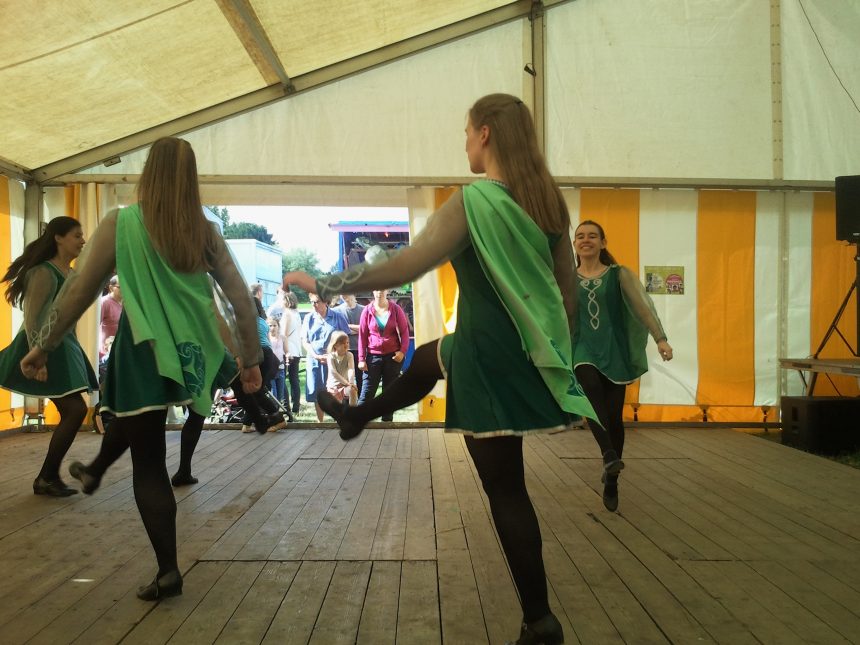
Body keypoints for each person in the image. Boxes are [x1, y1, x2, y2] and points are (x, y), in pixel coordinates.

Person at [285, 94, 597, 645]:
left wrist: (325, 284)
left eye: (466, 132)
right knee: (430, 355)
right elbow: (566, 293)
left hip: (485, 353)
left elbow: (406, 264)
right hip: (521, 350)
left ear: (484, 135)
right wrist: (553, 360)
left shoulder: (474, 201)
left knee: (507, 489)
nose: (465, 141)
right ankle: (359, 415)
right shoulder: (550, 205)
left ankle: (540, 621)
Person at [20, 137, 263, 601]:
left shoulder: (120, 223)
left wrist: (42, 346)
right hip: (194, 350)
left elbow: (78, 293)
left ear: (148, 173)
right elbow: (238, 299)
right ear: (190, 179)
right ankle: (93, 470)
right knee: (137, 433)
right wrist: (249, 360)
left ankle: (168, 570)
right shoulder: (204, 231)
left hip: (142, 349)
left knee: (148, 461)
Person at [572, 220, 673, 512]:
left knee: (614, 417)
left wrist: (661, 339)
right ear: (575, 244)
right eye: (580, 236)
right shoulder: (566, 277)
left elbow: (643, 306)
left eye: (592, 236)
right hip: (582, 346)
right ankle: (607, 455)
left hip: (614, 350)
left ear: (603, 243)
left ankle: (612, 479)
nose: (586, 240)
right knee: (589, 387)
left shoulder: (618, 275)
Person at [0, 216, 98, 496]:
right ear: (58, 238)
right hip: (42, 346)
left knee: (74, 410)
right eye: (77, 235)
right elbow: (32, 318)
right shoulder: (43, 272)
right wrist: (37, 355)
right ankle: (47, 477)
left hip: (61, 345)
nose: (83, 240)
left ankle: (48, 476)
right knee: (76, 409)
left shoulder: (68, 273)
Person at [356, 289, 409, 422]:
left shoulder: (396, 309)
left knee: (389, 394)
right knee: (367, 393)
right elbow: (362, 336)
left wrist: (402, 351)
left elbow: (404, 332)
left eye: (383, 289)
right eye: (376, 289)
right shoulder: (367, 310)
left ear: (387, 291)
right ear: (372, 291)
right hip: (373, 357)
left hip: (393, 358)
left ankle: (387, 424)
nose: (379, 292)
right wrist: (361, 359)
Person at [301, 293, 350, 422]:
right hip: (314, 359)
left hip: (334, 360)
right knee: (318, 391)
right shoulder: (308, 318)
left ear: (325, 302)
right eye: (312, 302)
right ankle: (320, 421)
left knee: (335, 391)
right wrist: (315, 355)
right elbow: (305, 341)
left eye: (317, 302)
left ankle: (338, 419)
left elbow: (345, 339)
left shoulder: (337, 316)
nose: (314, 305)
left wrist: (332, 354)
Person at [333, 293, 363, 396]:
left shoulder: (364, 310)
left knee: (361, 380)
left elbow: (366, 329)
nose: (344, 296)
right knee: (344, 380)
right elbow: (339, 332)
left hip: (361, 350)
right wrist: (358, 329)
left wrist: (347, 327)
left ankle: (360, 405)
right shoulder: (336, 311)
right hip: (343, 351)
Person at [280, 291, 302, 416]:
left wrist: (286, 351)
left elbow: (284, 335)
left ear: (287, 301)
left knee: (284, 378)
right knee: (294, 380)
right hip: (296, 350)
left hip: (288, 350)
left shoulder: (287, 314)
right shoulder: (296, 314)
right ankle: (296, 407)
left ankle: (286, 406)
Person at [326, 330, 357, 406]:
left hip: (346, 385)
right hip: (334, 386)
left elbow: (351, 369)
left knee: (353, 390)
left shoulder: (349, 355)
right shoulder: (331, 356)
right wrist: (346, 382)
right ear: (335, 345)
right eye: (343, 343)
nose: (346, 345)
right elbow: (333, 372)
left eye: (347, 343)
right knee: (337, 408)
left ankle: (353, 412)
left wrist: (351, 382)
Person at [267, 316, 288, 412]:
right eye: (270, 325)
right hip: (270, 368)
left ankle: (277, 413)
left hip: (280, 367)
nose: (272, 328)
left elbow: (286, 351)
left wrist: (288, 355)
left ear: (278, 326)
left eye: (274, 325)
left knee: (280, 395)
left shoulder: (283, 337)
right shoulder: (266, 337)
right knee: (273, 394)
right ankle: (274, 413)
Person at [100, 275, 123, 358]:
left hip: (122, 349)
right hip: (106, 353)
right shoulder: (104, 302)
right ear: (111, 288)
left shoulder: (128, 303)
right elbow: (94, 327)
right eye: (121, 287)